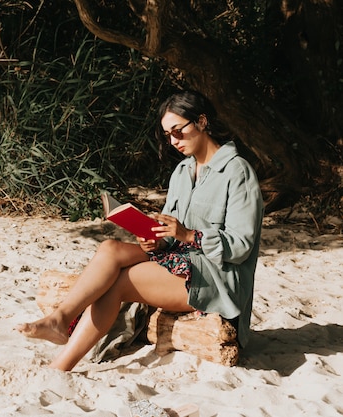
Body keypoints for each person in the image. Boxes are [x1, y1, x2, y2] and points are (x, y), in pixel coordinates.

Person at [16, 90, 264, 371]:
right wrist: (155, 241)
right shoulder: (182, 171)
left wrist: (188, 235)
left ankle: (60, 366)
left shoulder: (237, 171)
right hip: (178, 260)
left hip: (215, 277)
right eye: (168, 135)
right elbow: (171, 234)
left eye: (178, 131)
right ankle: (61, 319)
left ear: (202, 121)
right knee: (110, 248)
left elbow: (241, 245)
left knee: (120, 283)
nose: (173, 141)